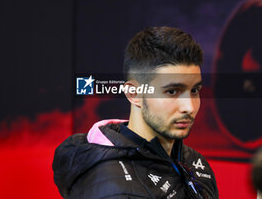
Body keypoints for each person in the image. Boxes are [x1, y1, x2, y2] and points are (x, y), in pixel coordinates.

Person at [52, 26, 219, 199]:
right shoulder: (114, 189)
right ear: (134, 94)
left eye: (195, 90)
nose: (189, 107)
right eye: (172, 91)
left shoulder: (195, 162)